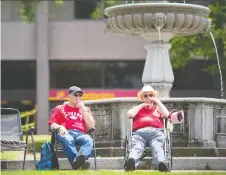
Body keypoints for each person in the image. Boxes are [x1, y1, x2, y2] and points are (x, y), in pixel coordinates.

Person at [124, 85, 184, 172]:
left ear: (154, 96)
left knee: (157, 146)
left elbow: (167, 115)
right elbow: (130, 114)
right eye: (145, 96)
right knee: (137, 146)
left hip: (156, 133)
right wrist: (143, 105)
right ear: (142, 98)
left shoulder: (158, 109)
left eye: (150, 95)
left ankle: (161, 163)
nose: (148, 97)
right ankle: (131, 162)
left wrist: (157, 101)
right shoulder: (138, 109)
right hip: (139, 133)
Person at [48, 86, 95, 170]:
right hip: (66, 132)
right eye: (76, 95)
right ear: (69, 96)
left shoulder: (86, 109)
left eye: (80, 95)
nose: (78, 97)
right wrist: (60, 126)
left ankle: (77, 163)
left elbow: (91, 126)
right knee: (68, 139)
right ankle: (80, 163)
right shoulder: (60, 108)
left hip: (81, 134)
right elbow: (52, 125)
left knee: (89, 140)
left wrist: (83, 109)